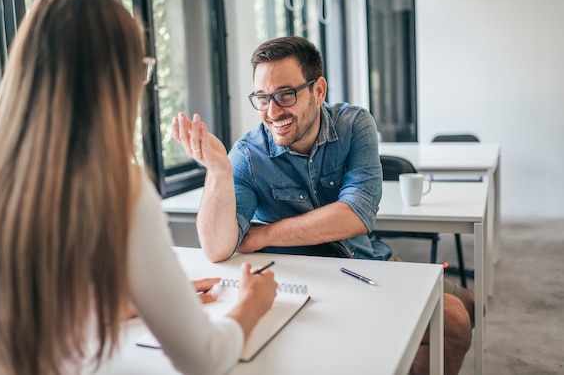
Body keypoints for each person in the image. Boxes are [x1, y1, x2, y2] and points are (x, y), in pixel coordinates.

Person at [0, 0, 278, 375]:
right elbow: (205, 359)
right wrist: (252, 302)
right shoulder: (117, 190)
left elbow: (26, 304)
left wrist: (154, 300)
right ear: (117, 79)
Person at [172, 36, 474, 375]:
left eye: (285, 95)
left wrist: (261, 235)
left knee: (470, 305)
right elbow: (215, 249)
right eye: (262, 97)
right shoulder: (246, 154)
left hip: (367, 262)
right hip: (299, 281)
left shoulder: (354, 125)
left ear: (318, 90)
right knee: (454, 319)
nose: (272, 112)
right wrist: (217, 170)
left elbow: (356, 215)